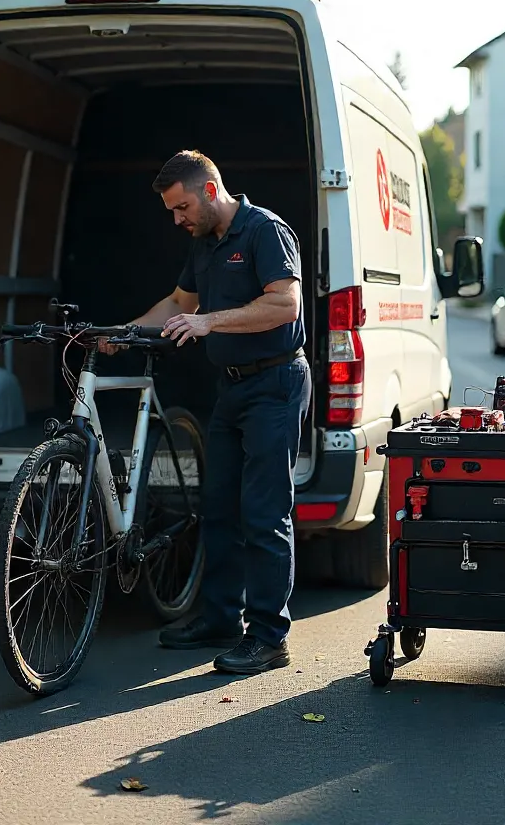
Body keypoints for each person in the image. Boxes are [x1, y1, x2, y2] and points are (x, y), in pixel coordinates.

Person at [102, 150, 311, 674]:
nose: (178, 219)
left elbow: (286, 305)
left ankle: (268, 638)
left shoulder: (265, 231)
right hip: (234, 388)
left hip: (276, 383)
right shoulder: (205, 243)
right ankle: (220, 619)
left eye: (182, 207)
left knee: (264, 513)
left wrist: (210, 323)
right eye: (172, 211)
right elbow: (178, 304)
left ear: (211, 191)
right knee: (217, 507)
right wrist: (124, 334)